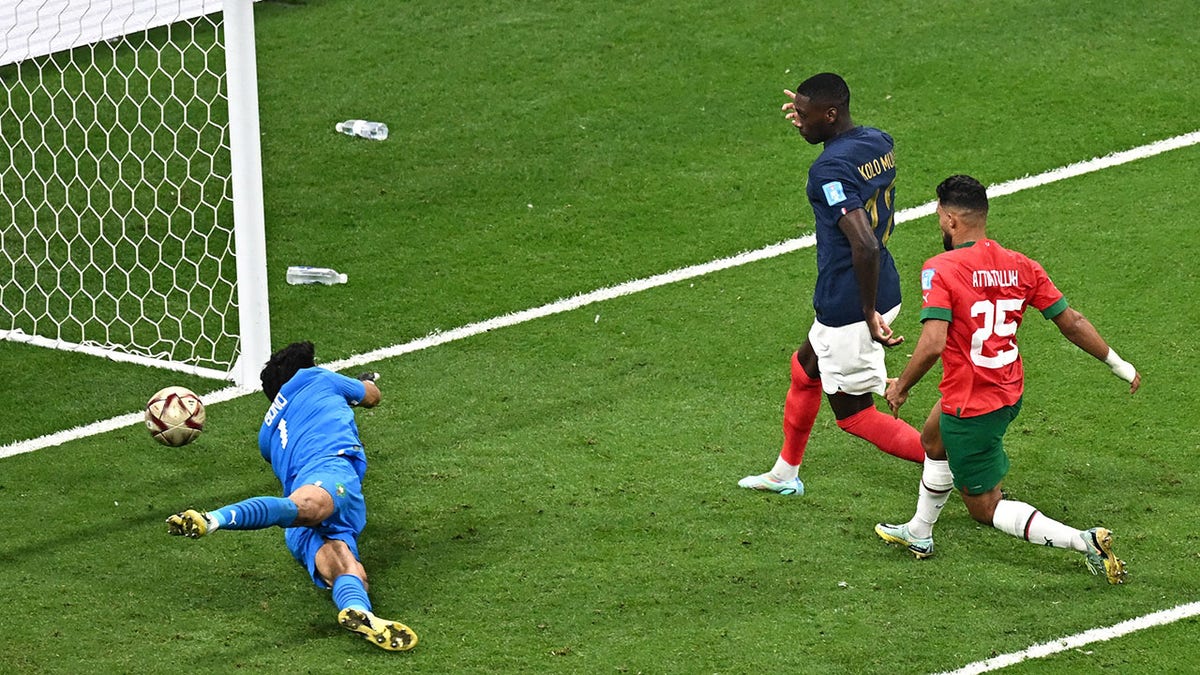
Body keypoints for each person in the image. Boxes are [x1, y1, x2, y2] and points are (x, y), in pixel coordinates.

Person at [875, 175, 1139, 584]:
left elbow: (931, 343)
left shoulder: (940, 268)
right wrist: (1119, 364)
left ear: (948, 220)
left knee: (983, 507)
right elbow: (1072, 321)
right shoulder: (1021, 265)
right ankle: (920, 532)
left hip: (973, 402)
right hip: (1005, 388)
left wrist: (901, 386)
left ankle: (1083, 541)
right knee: (932, 439)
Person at [738, 72, 924, 497]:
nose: (797, 122)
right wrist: (809, 108)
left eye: (804, 115)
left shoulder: (828, 170)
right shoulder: (878, 140)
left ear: (831, 113)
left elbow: (863, 244)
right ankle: (785, 473)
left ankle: (961, 463)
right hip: (880, 286)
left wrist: (866, 314)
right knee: (804, 368)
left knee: (855, 416)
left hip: (852, 304)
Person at [166, 341, 418, 650]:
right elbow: (372, 398)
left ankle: (361, 612)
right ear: (306, 367)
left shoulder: (265, 438)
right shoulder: (317, 377)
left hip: (303, 509)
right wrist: (364, 381)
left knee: (343, 564)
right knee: (308, 507)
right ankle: (213, 519)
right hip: (331, 471)